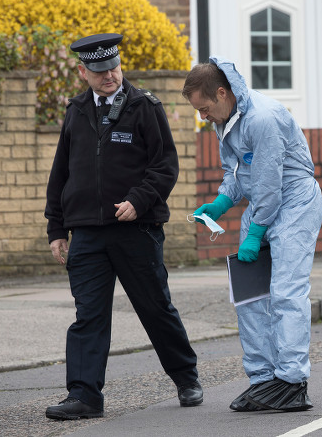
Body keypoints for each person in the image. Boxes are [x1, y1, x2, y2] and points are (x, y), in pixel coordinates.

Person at [44, 33, 203, 420]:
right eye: (100, 72)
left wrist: (139, 199)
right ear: (83, 72)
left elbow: (165, 164)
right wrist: (55, 227)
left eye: (114, 68)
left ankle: (186, 378)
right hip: (86, 232)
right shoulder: (76, 111)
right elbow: (61, 171)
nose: (109, 76)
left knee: (155, 308)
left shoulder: (144, 106)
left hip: (136, 231)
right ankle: (84, 396)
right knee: (89, 316)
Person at [182, 57, 322, 412]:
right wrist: (218, 203)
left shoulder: (263, 118)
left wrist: (255, 230)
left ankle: (291, 381)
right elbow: (238, 174)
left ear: (222, 92)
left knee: (286, 292)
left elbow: (269, 183)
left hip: (293, 202)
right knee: (249, 295)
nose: (203, 117)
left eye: (204, 108)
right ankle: (263, 378)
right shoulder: (225, 119)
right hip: (262, 203)